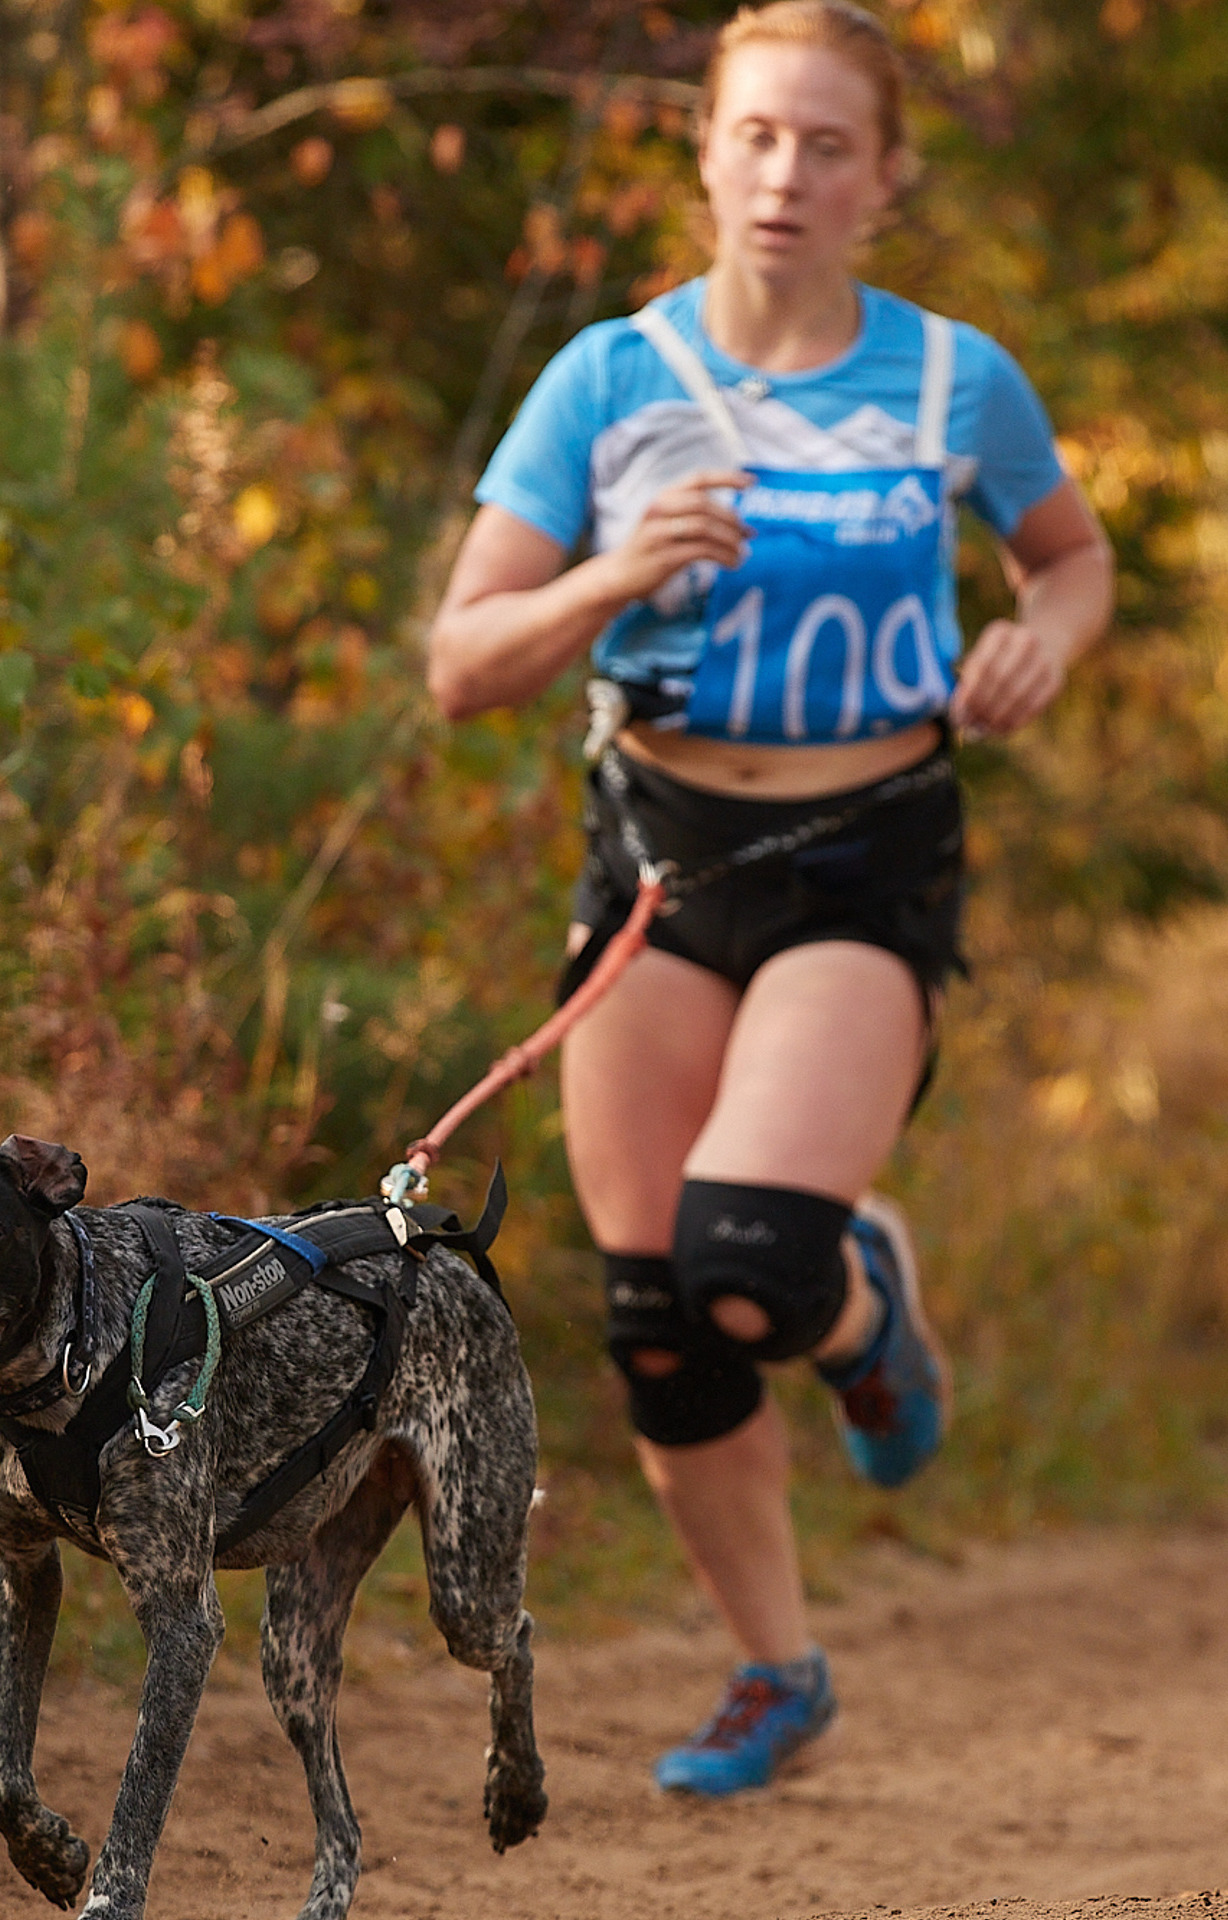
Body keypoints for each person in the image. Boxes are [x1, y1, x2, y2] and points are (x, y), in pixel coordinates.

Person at [426, 0, 1113, 1796]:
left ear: (886, 177)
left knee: (753, 1261)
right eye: (757, 136)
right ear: (706, 153)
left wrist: (1041, 640)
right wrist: (608, 577)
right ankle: (776, 1670)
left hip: (863, 857)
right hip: (659, 861)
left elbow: (1072, 559)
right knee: (660, 1315)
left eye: (829, 143)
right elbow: (462, 662)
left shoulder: (958, 381)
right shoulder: (609, 378)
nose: (788, 172)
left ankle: (864, 1298)